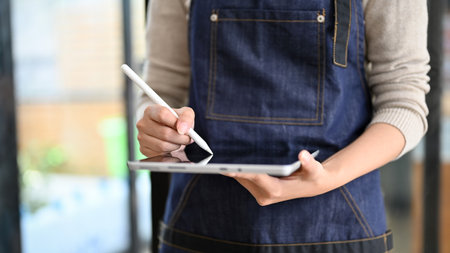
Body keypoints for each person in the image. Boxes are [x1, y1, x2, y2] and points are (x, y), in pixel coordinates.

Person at [136, 0, 430, 252]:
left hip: (339, 227)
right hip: (200, 228)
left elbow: (404, 104)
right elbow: (162, 88)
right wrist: (159, 130)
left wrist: (329, 175)